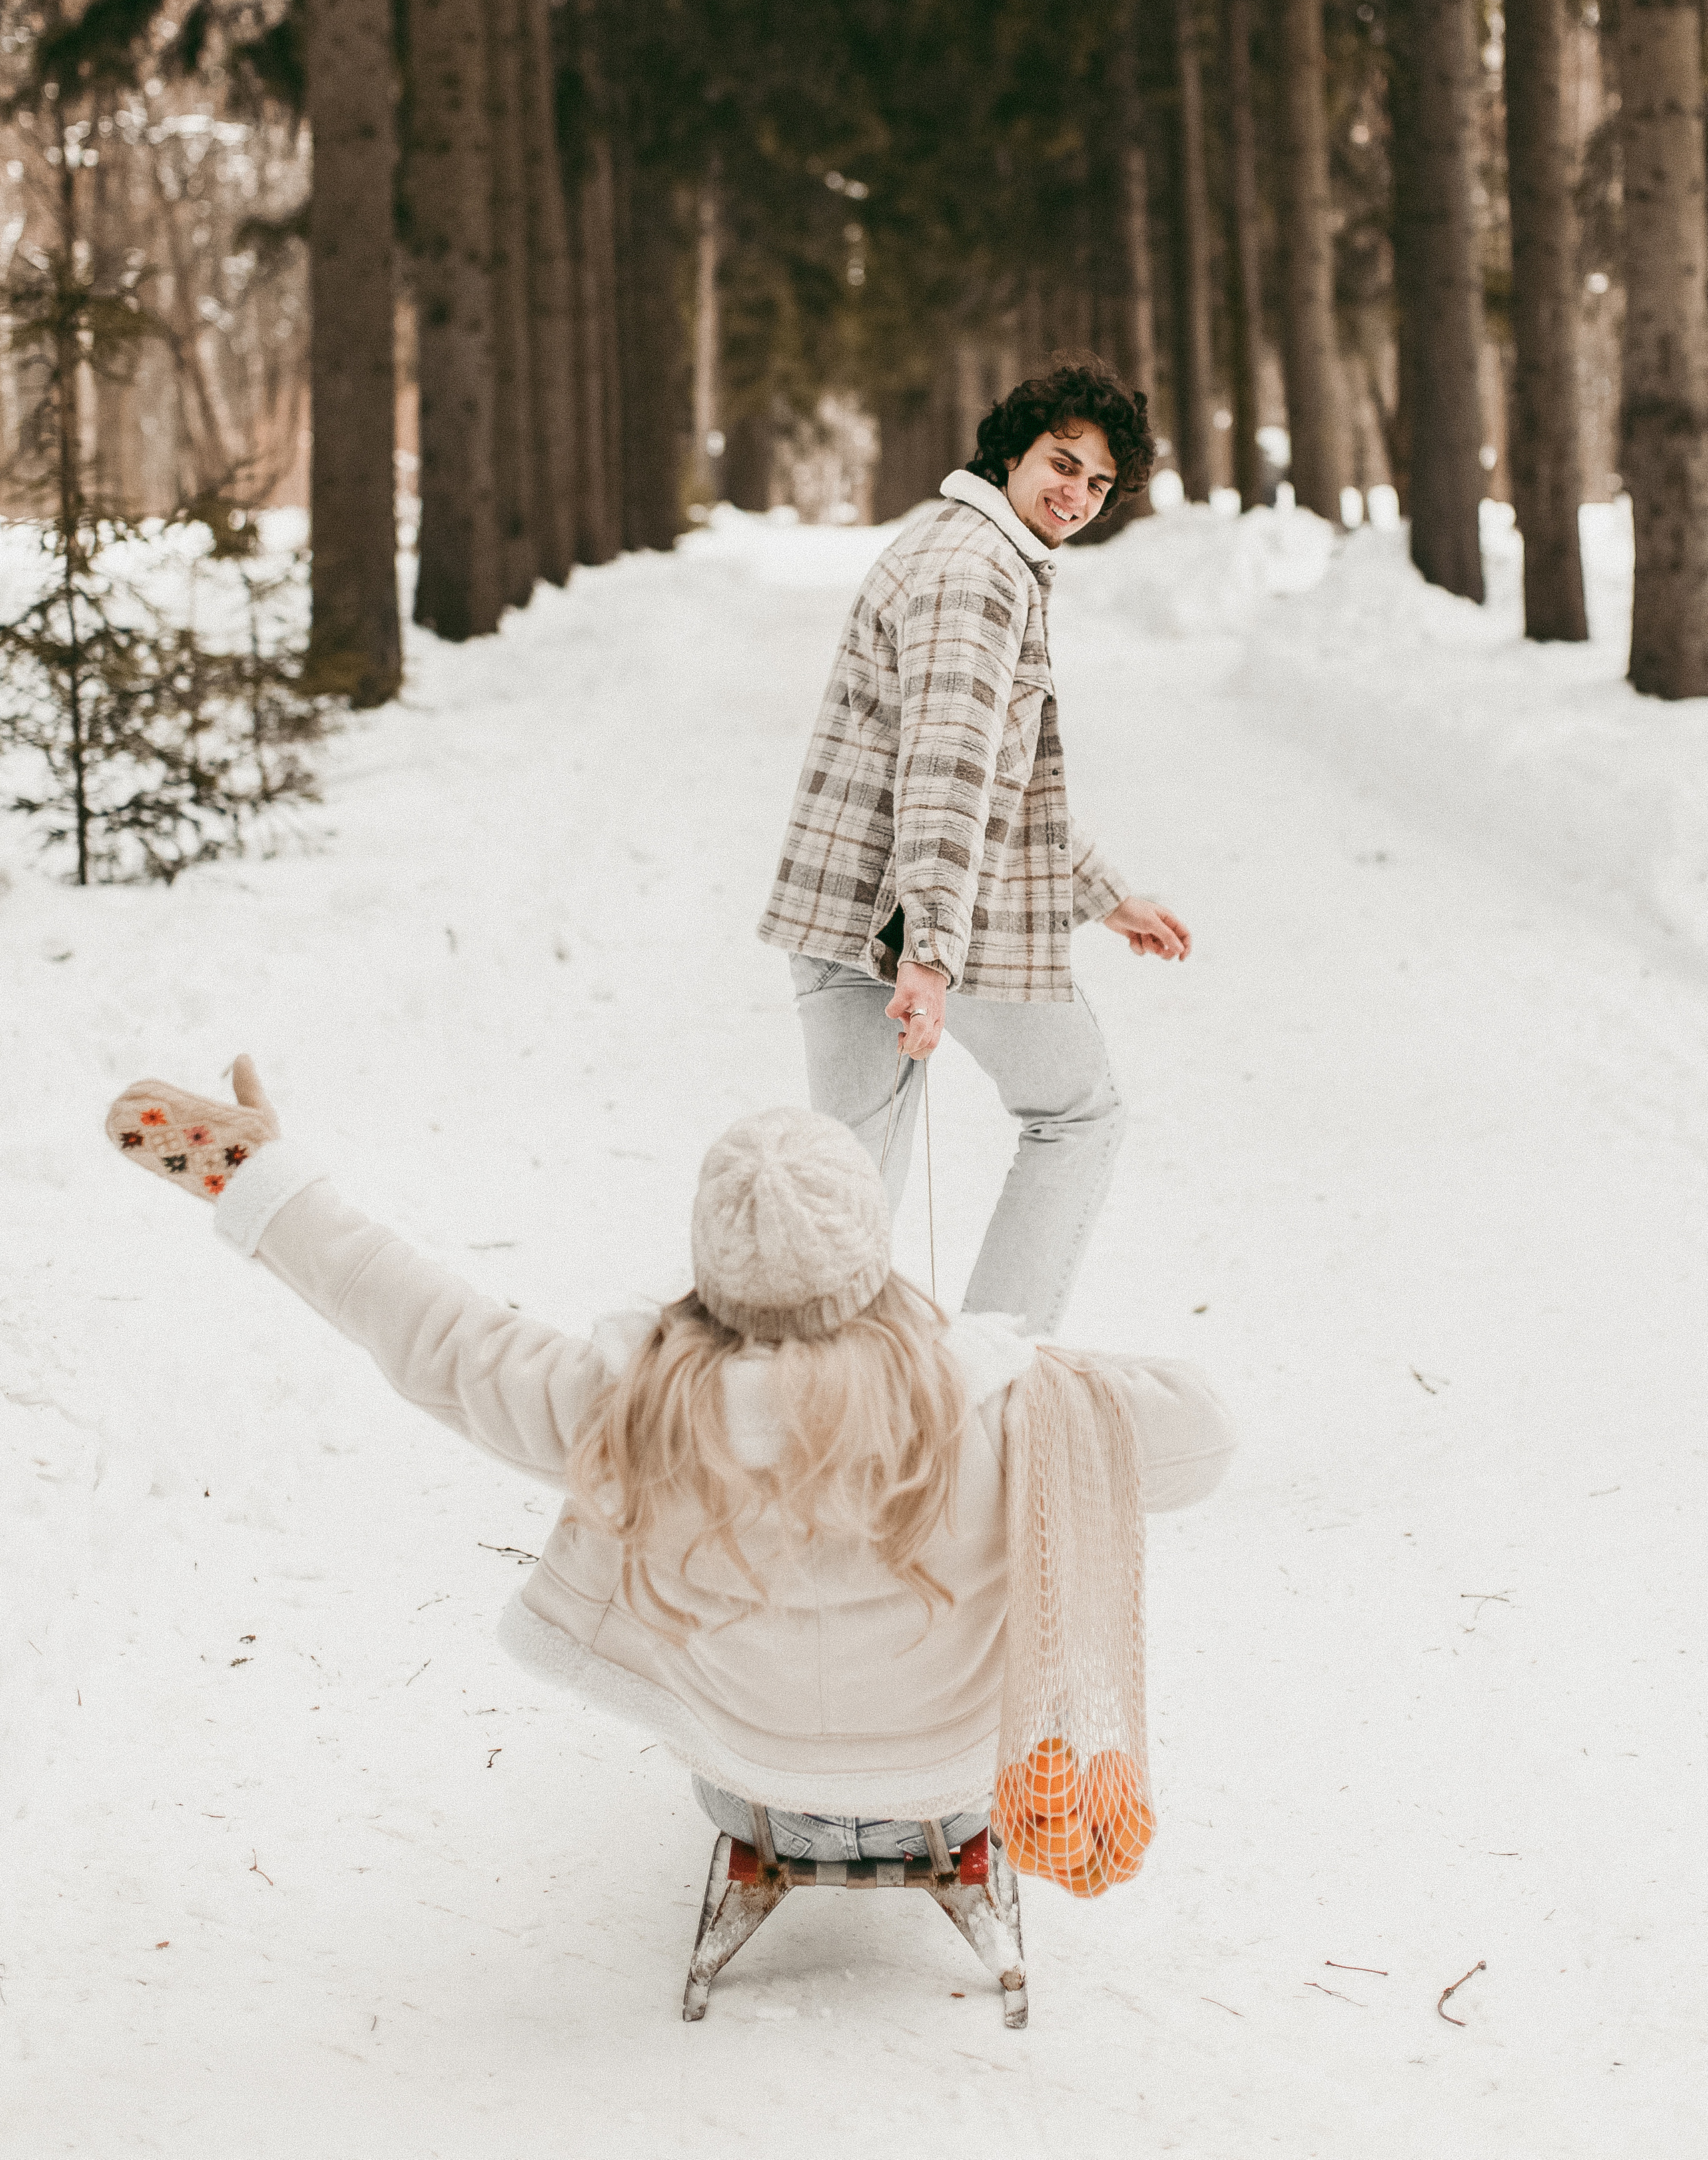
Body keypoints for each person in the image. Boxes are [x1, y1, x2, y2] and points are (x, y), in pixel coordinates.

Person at [106, 1070, 1234, 1865]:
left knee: (727, 1710)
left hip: (752, 1788)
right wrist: (1002, 1363)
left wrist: (274, 1186)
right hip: (958, 1784)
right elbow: (1203, 1431)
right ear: (870, 1258)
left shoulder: (632, 1411)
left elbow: (439, 1338)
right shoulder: (1004, 1405)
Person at [759, 357, 1190, 1336]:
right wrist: (931, 956)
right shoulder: (980, 573)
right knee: (1078, 1111)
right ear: (1012, 451)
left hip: (844, 917)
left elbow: (989, 772)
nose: (1075, 495)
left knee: (848, 1203)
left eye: (1097, 484)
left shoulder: (958, 546)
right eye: (1062, 462)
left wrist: (1105, 893)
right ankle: (992, 1380)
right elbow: (951, 779)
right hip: (922, 924)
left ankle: (808, 1416)